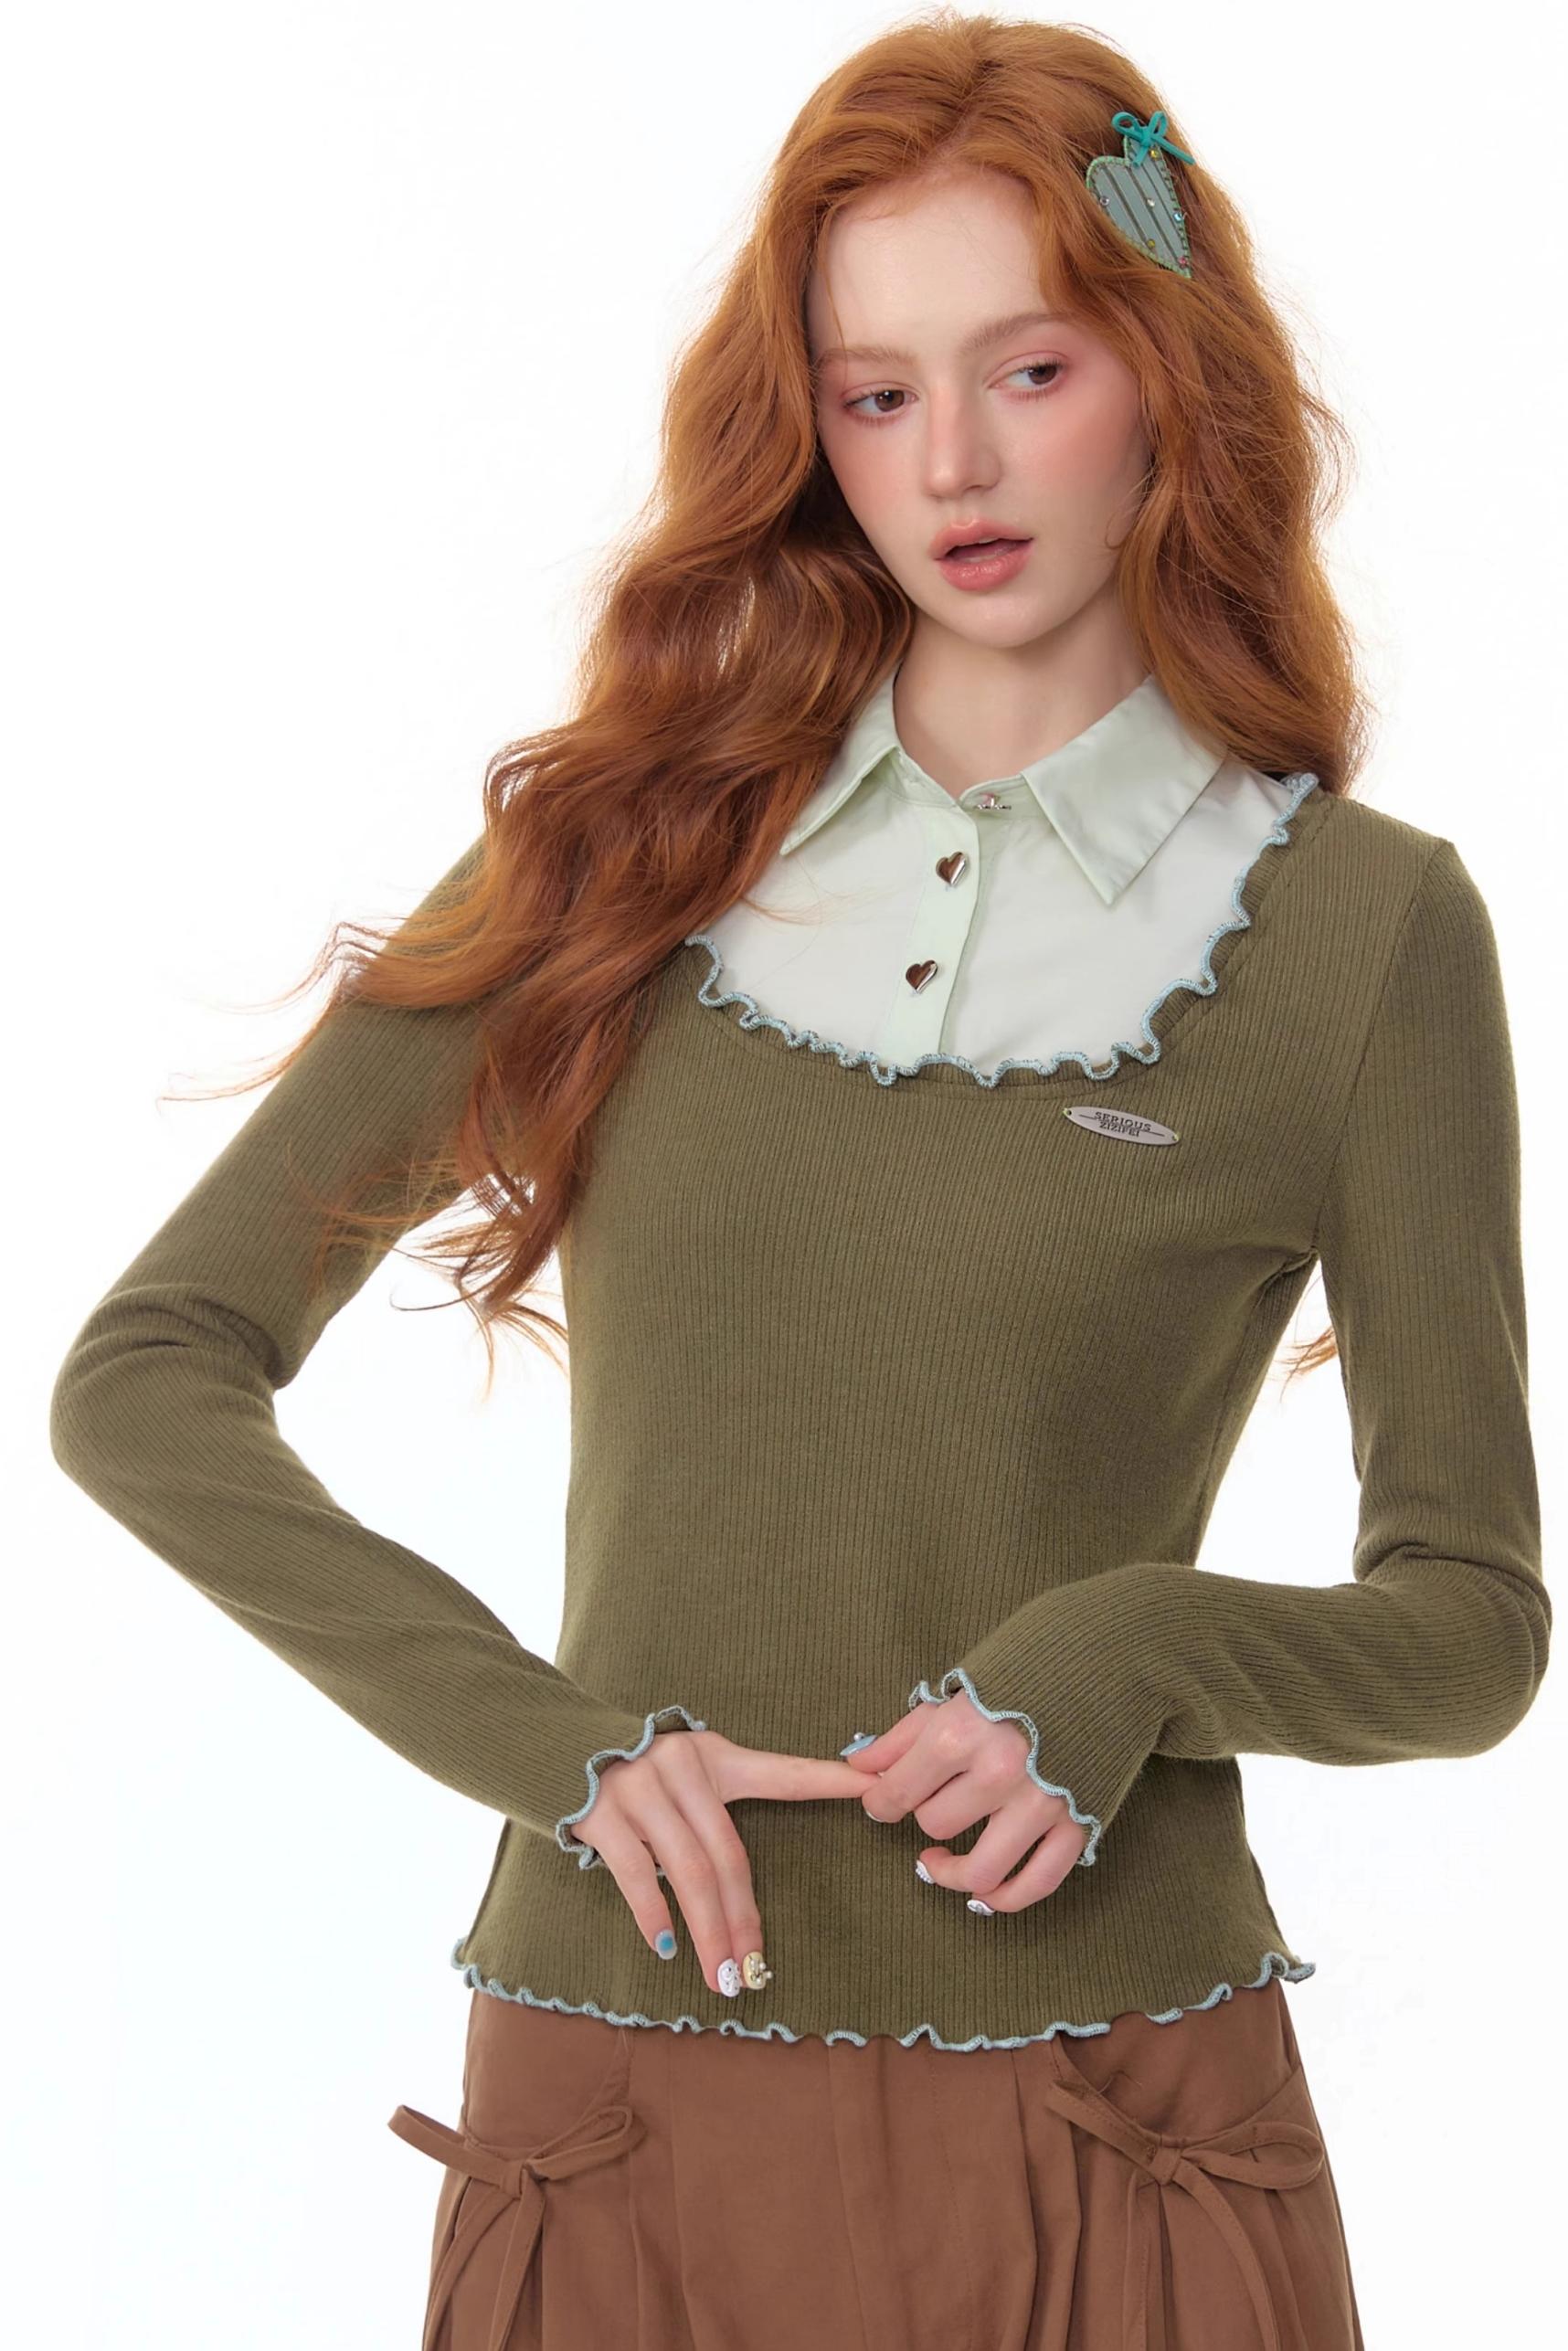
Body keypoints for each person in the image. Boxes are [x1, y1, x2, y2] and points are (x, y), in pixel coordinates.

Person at [48, 13, 1545, 2348]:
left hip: (1122, 2108)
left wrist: (1131, 1651)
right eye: (872, 393)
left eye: (1029, 368)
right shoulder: (613, 861)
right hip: (621, 2100)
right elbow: (147, 1376)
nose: (951, 461)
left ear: (1168, 369)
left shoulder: (1365, 935)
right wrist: (544, 1747)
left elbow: (1473, 1623)